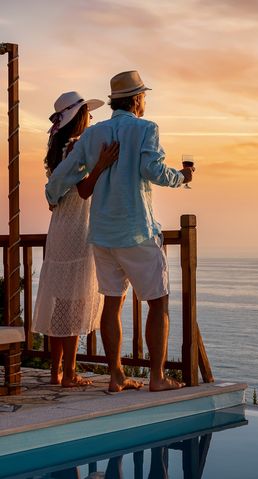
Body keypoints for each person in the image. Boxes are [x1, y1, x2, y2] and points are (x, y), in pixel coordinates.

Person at [45, 71, 194, 392]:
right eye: (144, 97)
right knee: (158, 302)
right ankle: (156, 377)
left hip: (101, 234)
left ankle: (116, 376)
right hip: (137, 229)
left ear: (115, 101)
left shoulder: (92, 135)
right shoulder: (145, 129)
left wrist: (51, 196)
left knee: (112, 303)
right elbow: (151, 170)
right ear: (138, 99)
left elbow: (62, 175)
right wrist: (182, 177)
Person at [32, 91, 119, 387]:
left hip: (59, 227)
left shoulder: (58, 148)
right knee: (73, 301)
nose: (91, 119)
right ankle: (69, 373)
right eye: (88, 114)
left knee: (59, 299)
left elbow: (54, 197)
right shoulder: (76, 148)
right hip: (77, 228)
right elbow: (84, 190)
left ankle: (57, 371)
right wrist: (101, 165)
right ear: (79, 117)